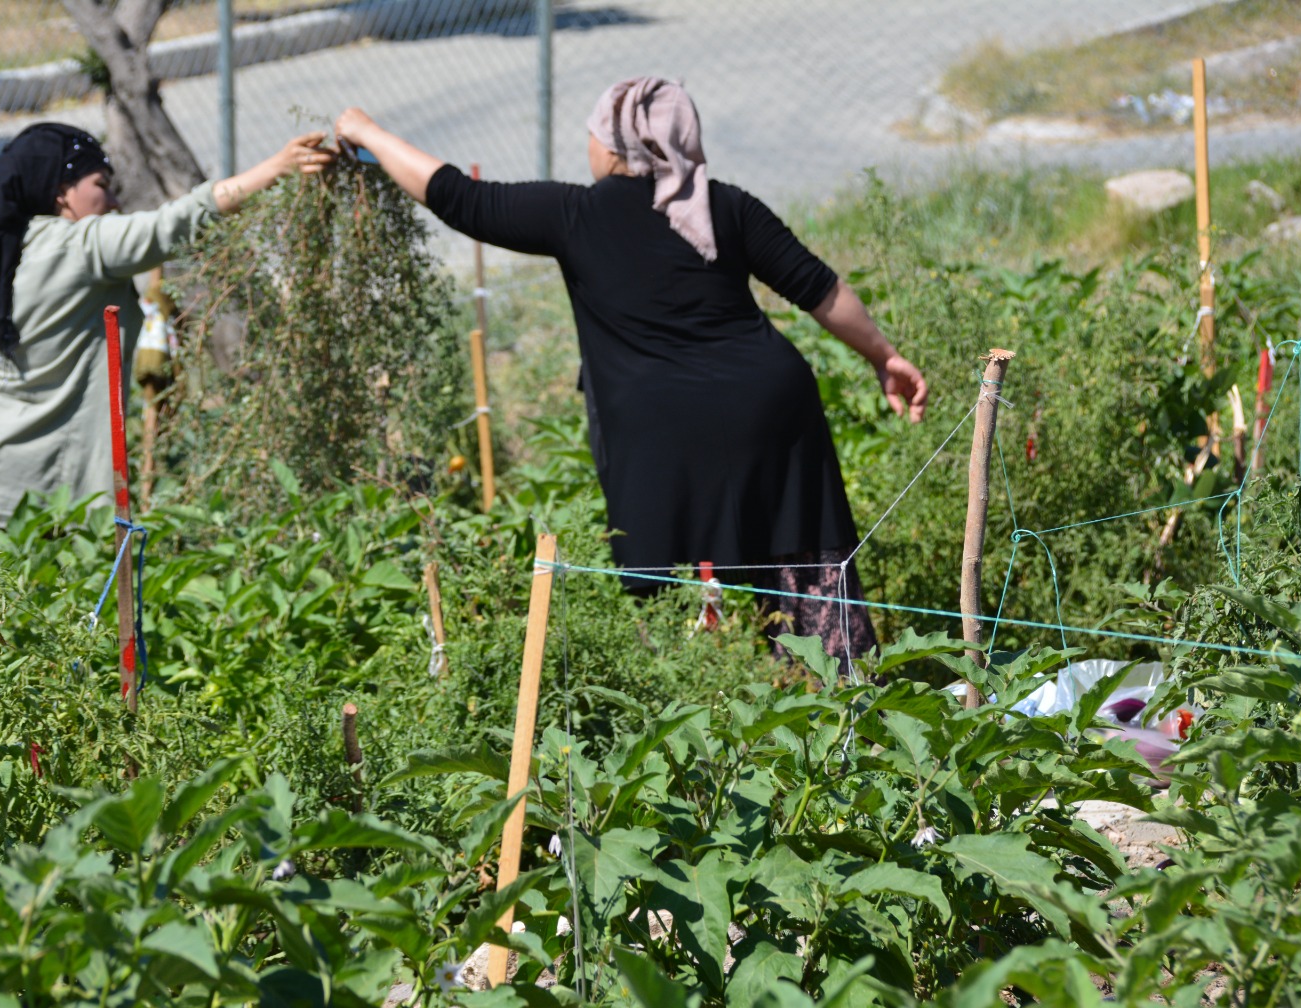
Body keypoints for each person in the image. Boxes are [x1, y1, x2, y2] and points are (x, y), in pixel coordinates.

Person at [333, 79, 927, 667]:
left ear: (614, 147)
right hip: (771, 413)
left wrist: (367, 131)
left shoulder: (575, 214)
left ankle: (692, 712)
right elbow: (819, 288)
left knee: (667, 604)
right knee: (805, 576)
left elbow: (456, 197)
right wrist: (885, 357)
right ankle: (838, 706)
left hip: (660, 434)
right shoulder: (725, 205)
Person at [0, 122, 336, 543]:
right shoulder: (83, 245)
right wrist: (275, 169)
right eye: (101, 186)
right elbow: (176, 223)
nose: (114, 202)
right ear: (61, 192)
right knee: (25, 617)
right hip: (24, 503)